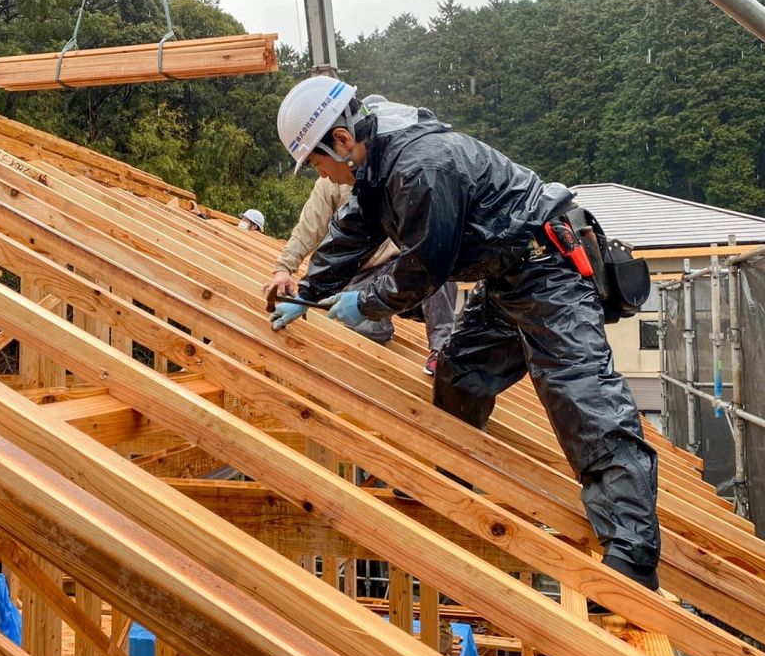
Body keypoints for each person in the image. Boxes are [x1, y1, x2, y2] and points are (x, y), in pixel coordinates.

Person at [268, 76, 661, 591]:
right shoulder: (375, 165)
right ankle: (457, 481)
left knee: (580, 395)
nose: (320, 174)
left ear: (341, 141)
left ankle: (631, 553)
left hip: (548, 267)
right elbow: (354, 230)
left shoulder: (419, 165)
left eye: (317, 163)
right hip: (505, 275)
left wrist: (365, 300)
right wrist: (307, 289)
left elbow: (428, 263)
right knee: (461, 372)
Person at [264, 95, 457, 372]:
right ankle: (377, 322)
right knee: (364, 328)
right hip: (363, 275)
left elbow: (433, 245)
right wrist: (289, 274)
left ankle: (442, 348)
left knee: (437, 263)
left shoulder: (402, 173)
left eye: (318, 164)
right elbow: (312, 226)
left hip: (402, 269)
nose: (322, 174)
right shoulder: (335, 184)